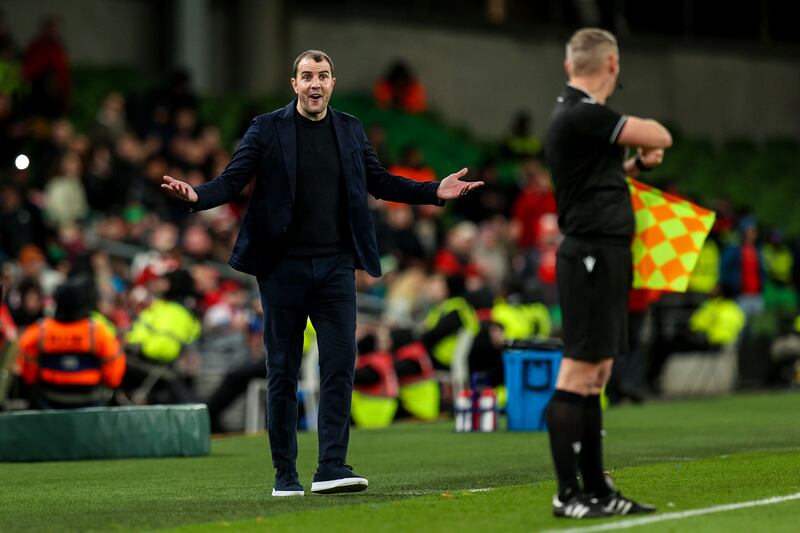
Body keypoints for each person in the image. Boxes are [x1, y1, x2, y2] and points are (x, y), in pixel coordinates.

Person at [161, 50, 482, 497]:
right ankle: (285, 475)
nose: (315, 84)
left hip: (335, 267)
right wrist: (196, 195)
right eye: (307, 76)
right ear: (294, 84)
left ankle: (331, 466)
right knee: (284, 372)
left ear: (332, 83)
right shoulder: (266, 128)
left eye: (323, 76)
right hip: (281, 269)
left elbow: (380, 181)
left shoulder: (349, 128)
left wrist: (434, 191)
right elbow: (233, 180)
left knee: (338, 366)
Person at [543, 28, 672, 519]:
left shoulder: (580, 121)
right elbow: (662, 133)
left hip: (604, 251)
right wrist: (647, 146)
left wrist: (635, 167)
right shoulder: (582, 113)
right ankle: (567, 493)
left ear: (568, 63)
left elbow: (596, 180)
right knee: (578, 372)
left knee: (596, 374)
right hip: (590, 254)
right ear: (612, 64)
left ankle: (597, 489)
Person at [15, 278, 125, 409]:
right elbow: (114, 378)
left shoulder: (40, 331)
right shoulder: (98, 332)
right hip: (90, 404)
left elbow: (28, 375)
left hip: (49, 403)